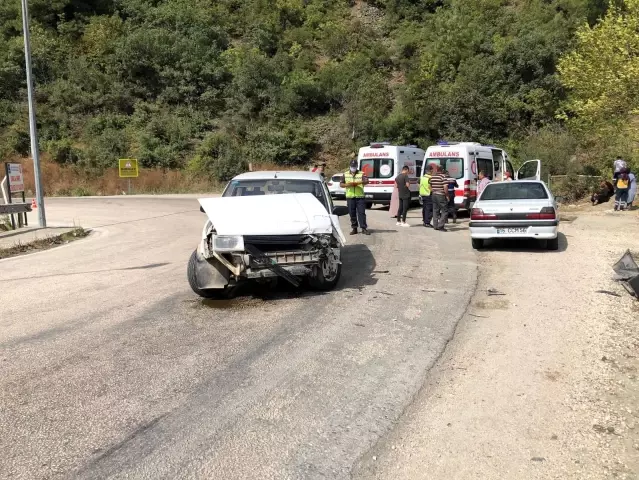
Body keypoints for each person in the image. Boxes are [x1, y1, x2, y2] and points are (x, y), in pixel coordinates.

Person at [340, 159, 370, 235]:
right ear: (350, 166)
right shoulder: (345, 174)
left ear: (357, 166)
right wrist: (348, 184)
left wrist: (359, 182)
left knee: (361, 213)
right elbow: (341, 184)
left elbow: (367, 181)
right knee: (352, 213)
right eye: (352, 166)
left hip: (360, 197)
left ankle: (363, 228)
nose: (353, 168)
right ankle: (354, 228)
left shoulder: (362, 173)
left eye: (354, 166)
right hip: (350, 197)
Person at [429, 165, 449, 231]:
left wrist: (434, 191)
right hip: (441, 195)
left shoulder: (433, 177)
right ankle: (440, 226)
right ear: (442, 170)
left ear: (437, 170)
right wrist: (447, 196)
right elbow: (445, 187)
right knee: (445, 210)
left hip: (434, 195)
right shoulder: (443, 176)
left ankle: (435, 226)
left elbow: (429, 186)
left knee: (435, 210)